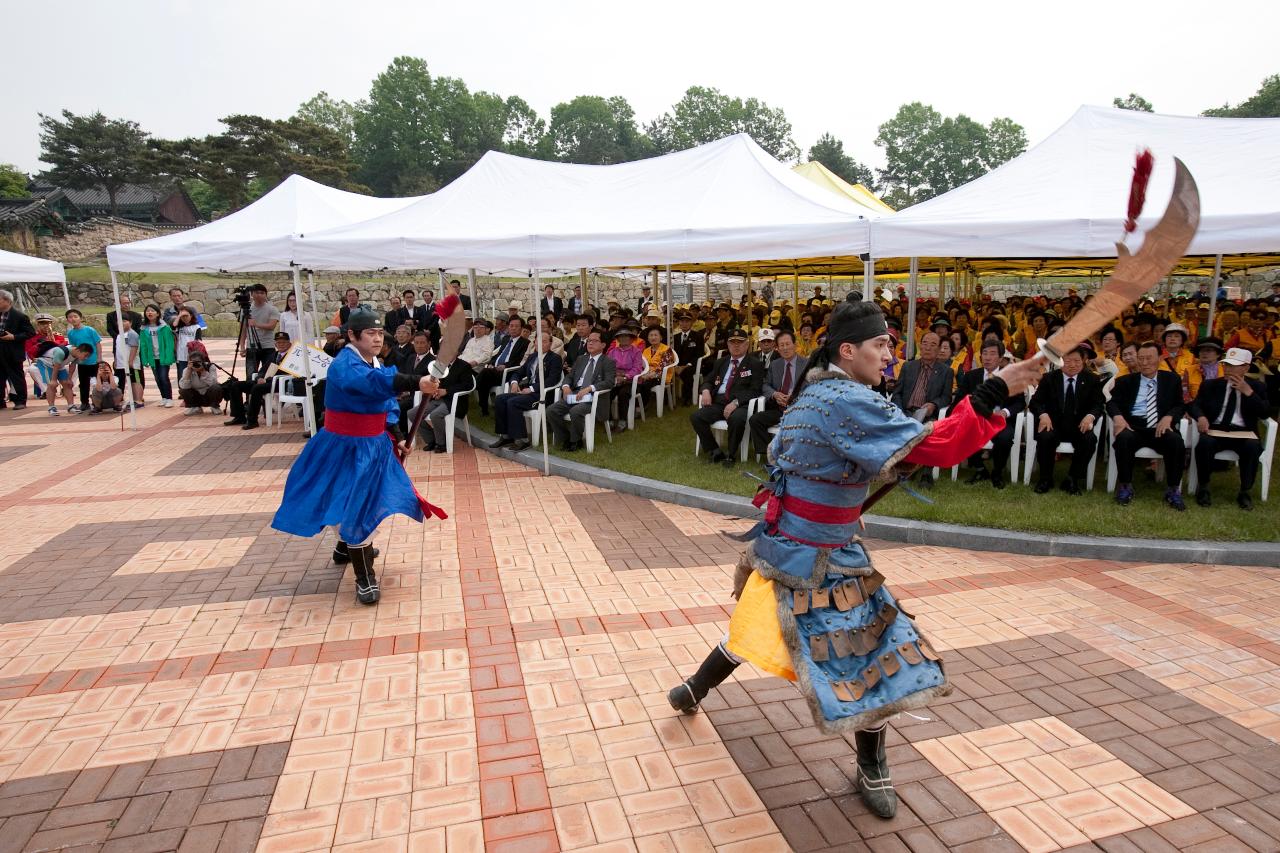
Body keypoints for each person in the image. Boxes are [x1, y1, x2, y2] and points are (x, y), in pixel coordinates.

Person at [665, 301, 1044, 820]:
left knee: (757, 629)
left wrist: (839, 510)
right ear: (848, 350)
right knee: (867, 657)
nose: (890, 356)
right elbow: (937, 446)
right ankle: (872, 765)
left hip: (791, 543)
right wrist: (995, 388)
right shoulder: (846, 398)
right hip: (819, 558)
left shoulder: (814, 392)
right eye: (881, 345)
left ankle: (694, 690)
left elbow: (803, 467)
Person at [272, 307, 448, 605]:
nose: (377, 338)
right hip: (344, 447)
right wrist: (416, 381)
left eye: (380, 333)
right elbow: (373, 385)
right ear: (352, 335)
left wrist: (398, 436)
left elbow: (383, 403)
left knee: (367, 499)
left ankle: (345, 547)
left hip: (374, 445)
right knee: (357, 505)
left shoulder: (374, 361)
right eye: (370, 333)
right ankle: (364, 578)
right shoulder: (344, 365)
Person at [1107, 341, 1188, 509]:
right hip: (1134, 426)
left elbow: (1180, 405)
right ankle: (1125, 486)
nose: (1144, 363)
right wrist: (1118, 418)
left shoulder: (1171, 379)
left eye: (1149, 358)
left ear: (1160, 358)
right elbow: (1112, 403)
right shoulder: (1125, 381)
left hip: (1160, 426)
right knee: (1123, 439)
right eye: (1141, 358)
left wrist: (1169, 417)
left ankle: (1173, 489)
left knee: (1175, 441)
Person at [1190, 347, 1268, 510]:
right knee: (1205, 443)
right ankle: (1203, 487)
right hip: (1216, 429)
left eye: (1233, 366)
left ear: (1246, 368)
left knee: (1252, 447)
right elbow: (1195, 405)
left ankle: (1245, 491)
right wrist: (1201, 417)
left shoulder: (1257, 387)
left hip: (1243, 431)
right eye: (1226, 365)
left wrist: (1248, 392)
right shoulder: (1211, 385)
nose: (1228, 369)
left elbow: (1265, 413)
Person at [1028, 346, 1104, 495]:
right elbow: (1035, 402)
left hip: (1079, 425)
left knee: (1089, 440)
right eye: (1067, 360)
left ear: (1084, 361)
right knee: (1045, 436)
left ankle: (1072, 478)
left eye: (1076, 361)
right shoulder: (1049, 378)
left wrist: (1091, 416)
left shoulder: (1092, 379)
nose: (1072, 364)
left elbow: (1098, 404)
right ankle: (1045, 479)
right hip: (1054, 424)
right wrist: (1043, 414)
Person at [954, 341, 1025, 488]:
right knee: (965, 431)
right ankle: (980, 469)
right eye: (984, 353)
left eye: (992, 354)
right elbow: (960, 398)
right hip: (977, 419)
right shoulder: (971, 376)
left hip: (1000, 420)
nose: (987, 357)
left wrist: (1005, 412)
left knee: (1005, 438)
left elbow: (1020, 403)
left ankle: (997, 472)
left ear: (1000, 358)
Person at [691, 327, 765, 466]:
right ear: (728, 344)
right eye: (732, 342)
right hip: (719, 402)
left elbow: (756, 390)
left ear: (747, 345)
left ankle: (731, 454)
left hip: (740, 404)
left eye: (740, 342)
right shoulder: (721, 362)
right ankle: (714, 450)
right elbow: (708, 380)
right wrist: (706, 390)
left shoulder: (755, 364)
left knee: (737, 419)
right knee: (696, 416)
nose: (736, 345)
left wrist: (736, 402)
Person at [490, 333, 564, 452]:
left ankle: (522, 440)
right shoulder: (532, 356)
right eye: (538, 341)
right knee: (500, 399)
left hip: (541, 394)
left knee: (513, 402)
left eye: (544, 341)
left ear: (550, 344)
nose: (540, 344)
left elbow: (552, 380)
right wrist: (514, 382)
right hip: (527, 392)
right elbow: (519, 372)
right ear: (534, 343)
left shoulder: (555, 358)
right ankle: (506, 436)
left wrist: (532, 389)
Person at [546, 330, 615, 451]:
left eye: (594, 341)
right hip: (575, 394)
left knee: (576, 411)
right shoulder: (581, 359)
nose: (590, 343)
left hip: (593, 398)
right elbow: (570, 377)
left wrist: (590, 388)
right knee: (551, 410)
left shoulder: (608, 362)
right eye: (589, 341)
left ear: (603, 345)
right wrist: (566, 386)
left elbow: (609, 382)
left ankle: (576, 441)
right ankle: (566, 438)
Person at [748, 330, 806, 459]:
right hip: (779, 408)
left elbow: (814, 388)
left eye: (787, 344)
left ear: (795, 345)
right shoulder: (775, 364)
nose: (785, 348)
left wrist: (795, 396)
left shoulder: (806, 364)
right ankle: (769, 457)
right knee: (755, 420)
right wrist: (775, 394)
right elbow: (765, 384)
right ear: (777, 348)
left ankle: (796, 456)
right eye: (781, 345)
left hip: (800, 410)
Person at [223, 331, 293, 430]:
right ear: (275, 344)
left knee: (257, 388)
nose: (281, 345)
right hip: (265, 381)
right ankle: (239, 416)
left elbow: (287, 373)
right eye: (278, 343)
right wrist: (259, 377)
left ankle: (252, 420)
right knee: (235, 385)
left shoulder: (292, 356)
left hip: (279, 383)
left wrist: (267, 379)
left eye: (284, 342)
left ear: (289, 344)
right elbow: (263, 369)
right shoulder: (274, 354)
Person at [411, 357, 474, 453]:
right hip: (438, 399)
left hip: (454, 401)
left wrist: (447, 391)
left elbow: (467, 385)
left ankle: (442, 443)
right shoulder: (438, 365)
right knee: (412, 413)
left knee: (435, 415)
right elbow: (433, 380)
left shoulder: (464, 366)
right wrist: (434, 391)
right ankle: (431, 440)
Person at [890, 332, 953, 422]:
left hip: (927, 417)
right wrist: (899, 412)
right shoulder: (907, 366)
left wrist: (934, 404)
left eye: (933, 344)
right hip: (904, 413)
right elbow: (897, 393)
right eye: (925, 343)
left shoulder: (946, 372)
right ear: (920, 346)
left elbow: (946, 397)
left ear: (939, 349)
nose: (927, 348)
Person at [477, 316, 528, 416]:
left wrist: (505, 366)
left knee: (484, 374)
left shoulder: (525, 343)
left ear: (521, 328)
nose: (513, 328)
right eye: (511, 326)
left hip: (508, 372)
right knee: (485, 376)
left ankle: (474, 386)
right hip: (494, 371)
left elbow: (518, 361)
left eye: (516, 326)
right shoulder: (505, 339)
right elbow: (498, 354)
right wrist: (491, 363)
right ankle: (484, 409)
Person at [237, 284, 280, 380]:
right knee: (250, 375)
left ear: (266, 295)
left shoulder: (272, 309)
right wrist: (242, 347)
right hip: (251, 347)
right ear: (252, 294)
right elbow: (243, 330)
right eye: (257, 292)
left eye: (262, 293)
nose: (259, 295)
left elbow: (271, 326)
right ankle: (250, 394)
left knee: (268, 375)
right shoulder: (246, 310)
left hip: (268, 346)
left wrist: (255, 324)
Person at [0, 290, 34, 409]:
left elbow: (30, 333)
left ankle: (20, 401)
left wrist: (14, 337)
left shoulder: (19, 316)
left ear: (7, 301)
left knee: (16, 377)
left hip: (13, 351)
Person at [35, 342, 90, 415]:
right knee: (52, 385)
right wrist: (54, 380)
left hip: (60, 365)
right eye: (85, 355)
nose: (86, 358)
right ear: (78, 350)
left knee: (67, 385)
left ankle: (71, 406)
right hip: (46, 364)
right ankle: (51, 408)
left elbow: (72, 366)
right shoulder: (60, 352)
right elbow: (56, 366)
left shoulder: (76, 354)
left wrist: (69, 379)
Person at [607, 326, 646, 430]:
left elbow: (637, 369)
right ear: (618, 339)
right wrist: (615, 375)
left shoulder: (636, 351)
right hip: (615, 380)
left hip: (632, 382)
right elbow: (608, 367)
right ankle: (609, 420)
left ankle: (622, 420)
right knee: (606, 393)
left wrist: (625, 376)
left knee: (623, 394)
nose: (623, 339)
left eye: (626, 337)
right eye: (621, 337)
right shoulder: (612, 352)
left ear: (631, 339)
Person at [138, 304, 177, 408]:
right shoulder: (143, 328)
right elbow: (143, 345)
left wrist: (169, 357)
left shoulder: (164, 327)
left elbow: (169, 344)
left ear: (158, 313)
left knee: (164, 377)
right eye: (147, 311)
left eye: (152, 311)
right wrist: (145, 359)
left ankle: (169, 398)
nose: (149, 313)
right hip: (152, 357)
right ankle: (163, 397)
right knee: (157, 378)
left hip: (163, 357)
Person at [64, 309, 101, 414]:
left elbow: (98, 343)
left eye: (75, 316)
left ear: (80, 318)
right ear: (67, 320)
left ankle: (98, 401)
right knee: (83, 383)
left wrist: (99, 357)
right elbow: (74, 348)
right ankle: (84, 402)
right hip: (81, 363)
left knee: (96, 382)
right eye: (70, 317)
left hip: (93, 361)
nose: (73, 319)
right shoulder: (71, 333)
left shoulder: (90, 330)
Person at [114, 313, 145, 408]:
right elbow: (117, 349)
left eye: (124, 321)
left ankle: (138, 400)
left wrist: (130, 361)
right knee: (123, 382)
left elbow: (134, 348)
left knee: (135, 381)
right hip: (120, 364)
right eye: (120, 321)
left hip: (132, 364)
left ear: (130, 323)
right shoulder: (119, 335)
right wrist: (115, 360)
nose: (122, 323)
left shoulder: (132, 334)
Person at [174, 308, 202, 379]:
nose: (184, 318)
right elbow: (174, 325)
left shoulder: (197, 327)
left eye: (186, 315)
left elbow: (198, 341)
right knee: (182, 376)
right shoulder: (180, 328)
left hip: (192, 356)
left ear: (191, 316)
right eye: (182, 316)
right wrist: (179, 315)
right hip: (181, 357)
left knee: (194, 376)